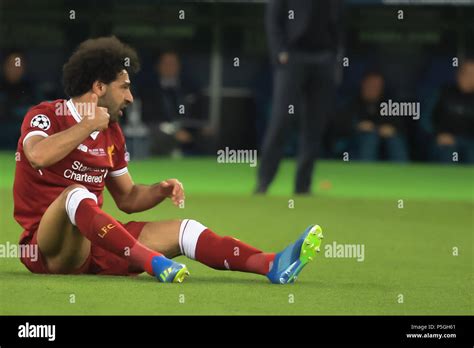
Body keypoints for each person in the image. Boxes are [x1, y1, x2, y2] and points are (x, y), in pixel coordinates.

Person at [14, 36, 323, 284]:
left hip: (94, 244)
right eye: (124, 87)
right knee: (76, 193)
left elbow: (128, 198)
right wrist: (85, 126)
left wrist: (159, 190)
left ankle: (271, 264)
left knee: (184, 229)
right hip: (47, 250)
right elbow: (38, 155)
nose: (130, 97)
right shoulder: (47, 115)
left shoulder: (112, 134)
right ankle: (152, 263)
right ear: (98, 87)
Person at [256, 0, 344, 194]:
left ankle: (303, 186)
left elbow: (338, 22)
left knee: (315, 125)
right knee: (281, 121)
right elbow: (273, 19)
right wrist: (279, 51)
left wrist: (336, 55)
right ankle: (263, 182)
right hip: (293, 57)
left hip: (323, 57)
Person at [350, 71, 408, 162]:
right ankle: (365, 171)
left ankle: (401, 172)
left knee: (395, 140)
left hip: (385, 139)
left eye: (377, 86)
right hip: (358, 139)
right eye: (371, 85)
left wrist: (390, 129)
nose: (373, 88)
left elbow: (400, 124)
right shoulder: (352, 102)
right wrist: (357, 126)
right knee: (370, 138)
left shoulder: (389, 103)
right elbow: (341, 125)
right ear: (363, 84)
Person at [432, 59, 474, 163]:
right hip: (446, 139)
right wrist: (439, 134)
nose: (468, 77)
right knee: (448, 152)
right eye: (465, 73)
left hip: (470, 141)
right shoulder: (443, 92)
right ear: (458, 75)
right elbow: (425, 119)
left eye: (472, 74)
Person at [0, 51, 35, 149]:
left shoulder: (31, 87)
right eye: (11, 65)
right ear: (4, 66)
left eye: (18, 65)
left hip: (22, 132)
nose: (15, 69)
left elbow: (38, 109)